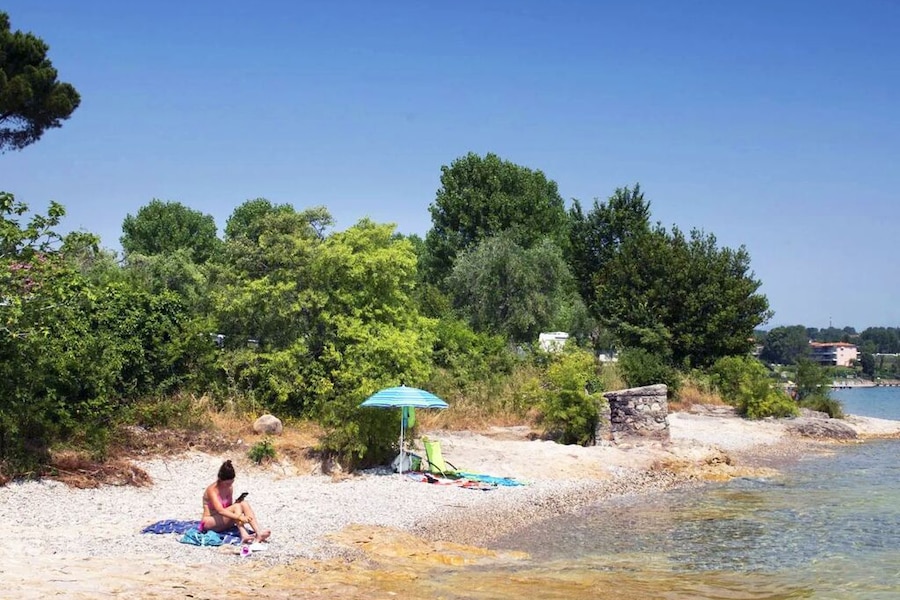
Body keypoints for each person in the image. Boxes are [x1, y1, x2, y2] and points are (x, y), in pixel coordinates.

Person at [200, 459, 271, 544]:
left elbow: (229, 507)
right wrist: (239, 517)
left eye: (231, 483)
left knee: (243, 504)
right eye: (227, 484)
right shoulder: (212, 490)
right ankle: (244, 534)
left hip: (223, 520)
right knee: (237, 506)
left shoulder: (229, 488)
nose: (229, 485)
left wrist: (237, 503)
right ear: (220, 480)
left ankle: (258, 532)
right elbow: (220, 510)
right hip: (210, 522)